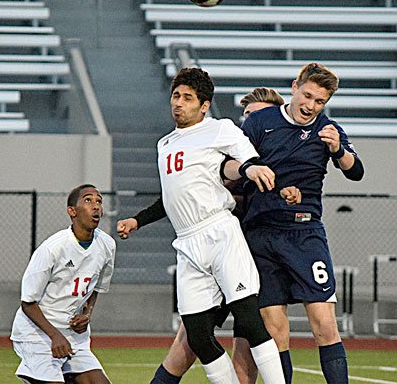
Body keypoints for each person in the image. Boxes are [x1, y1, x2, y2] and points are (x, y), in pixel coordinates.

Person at [117, 69, 286, 384]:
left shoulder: (218, 129)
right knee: (197, 335)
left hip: (220, 233)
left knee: (249, 321)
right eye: (176, 96)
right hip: (188, 243)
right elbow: (171, 198)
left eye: (187, 98)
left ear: (204, 105)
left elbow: (244, 157)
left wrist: (251, 168)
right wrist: (137, 220)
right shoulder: (164, 144)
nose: (178, 103)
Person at [236, 62, 365, 383]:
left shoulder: (328, 129)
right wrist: (266, 181)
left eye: (319, 101)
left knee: (324, 324)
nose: (310, 106)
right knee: (274, 330)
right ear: (295, 87)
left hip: (304, 235)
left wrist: (337, 149)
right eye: (307, 95)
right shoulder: (260, 122)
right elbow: (232, 166)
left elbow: (355, 170)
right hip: (261, 236)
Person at [11, 184, 116, 384]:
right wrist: (55, 336)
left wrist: (87, 313)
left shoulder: (107, 245)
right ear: (72, 211)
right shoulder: (53, 248)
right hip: (38, 334)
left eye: (99, 201)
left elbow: (96, 288)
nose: (96, 206)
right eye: (88, 200)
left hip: (74, 336)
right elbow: (28, 302)